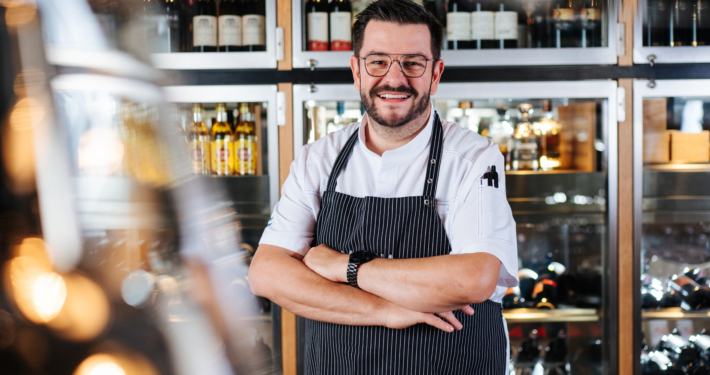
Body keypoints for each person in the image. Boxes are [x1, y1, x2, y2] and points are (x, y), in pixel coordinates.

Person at [249, 0, 518, 373]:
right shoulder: (318, 159)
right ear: (357, 71)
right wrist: (385, 310)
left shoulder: (474, 157)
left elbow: (473, 278)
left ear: (435, 74)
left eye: (413, 63)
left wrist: (345, 267)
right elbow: (266, 273)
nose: (395, 79)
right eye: (378, 61)